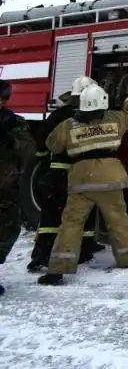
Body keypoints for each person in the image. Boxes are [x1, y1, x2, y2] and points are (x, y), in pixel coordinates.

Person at [38, 84, 128, 286]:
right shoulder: (115, 119)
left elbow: (52, 144)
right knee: (118, 220)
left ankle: (58, 269)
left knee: (71, 223)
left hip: (81, 180)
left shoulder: (68, 125)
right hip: (111, 179)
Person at [27, 77, 104, 272]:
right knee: (84, 209)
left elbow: (42, 138)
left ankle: (41, 255)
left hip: (58, 173)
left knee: (51, 214)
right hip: (82, 173)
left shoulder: (60, 115)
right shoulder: (94, 116)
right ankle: (85, 250)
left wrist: (44, 160)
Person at [0, 79, 36, 295]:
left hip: (6, 188)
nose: (3, 103)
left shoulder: (13, 122)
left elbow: (30, 149)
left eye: (5, 99)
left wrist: (10, 140)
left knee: (9, 231)